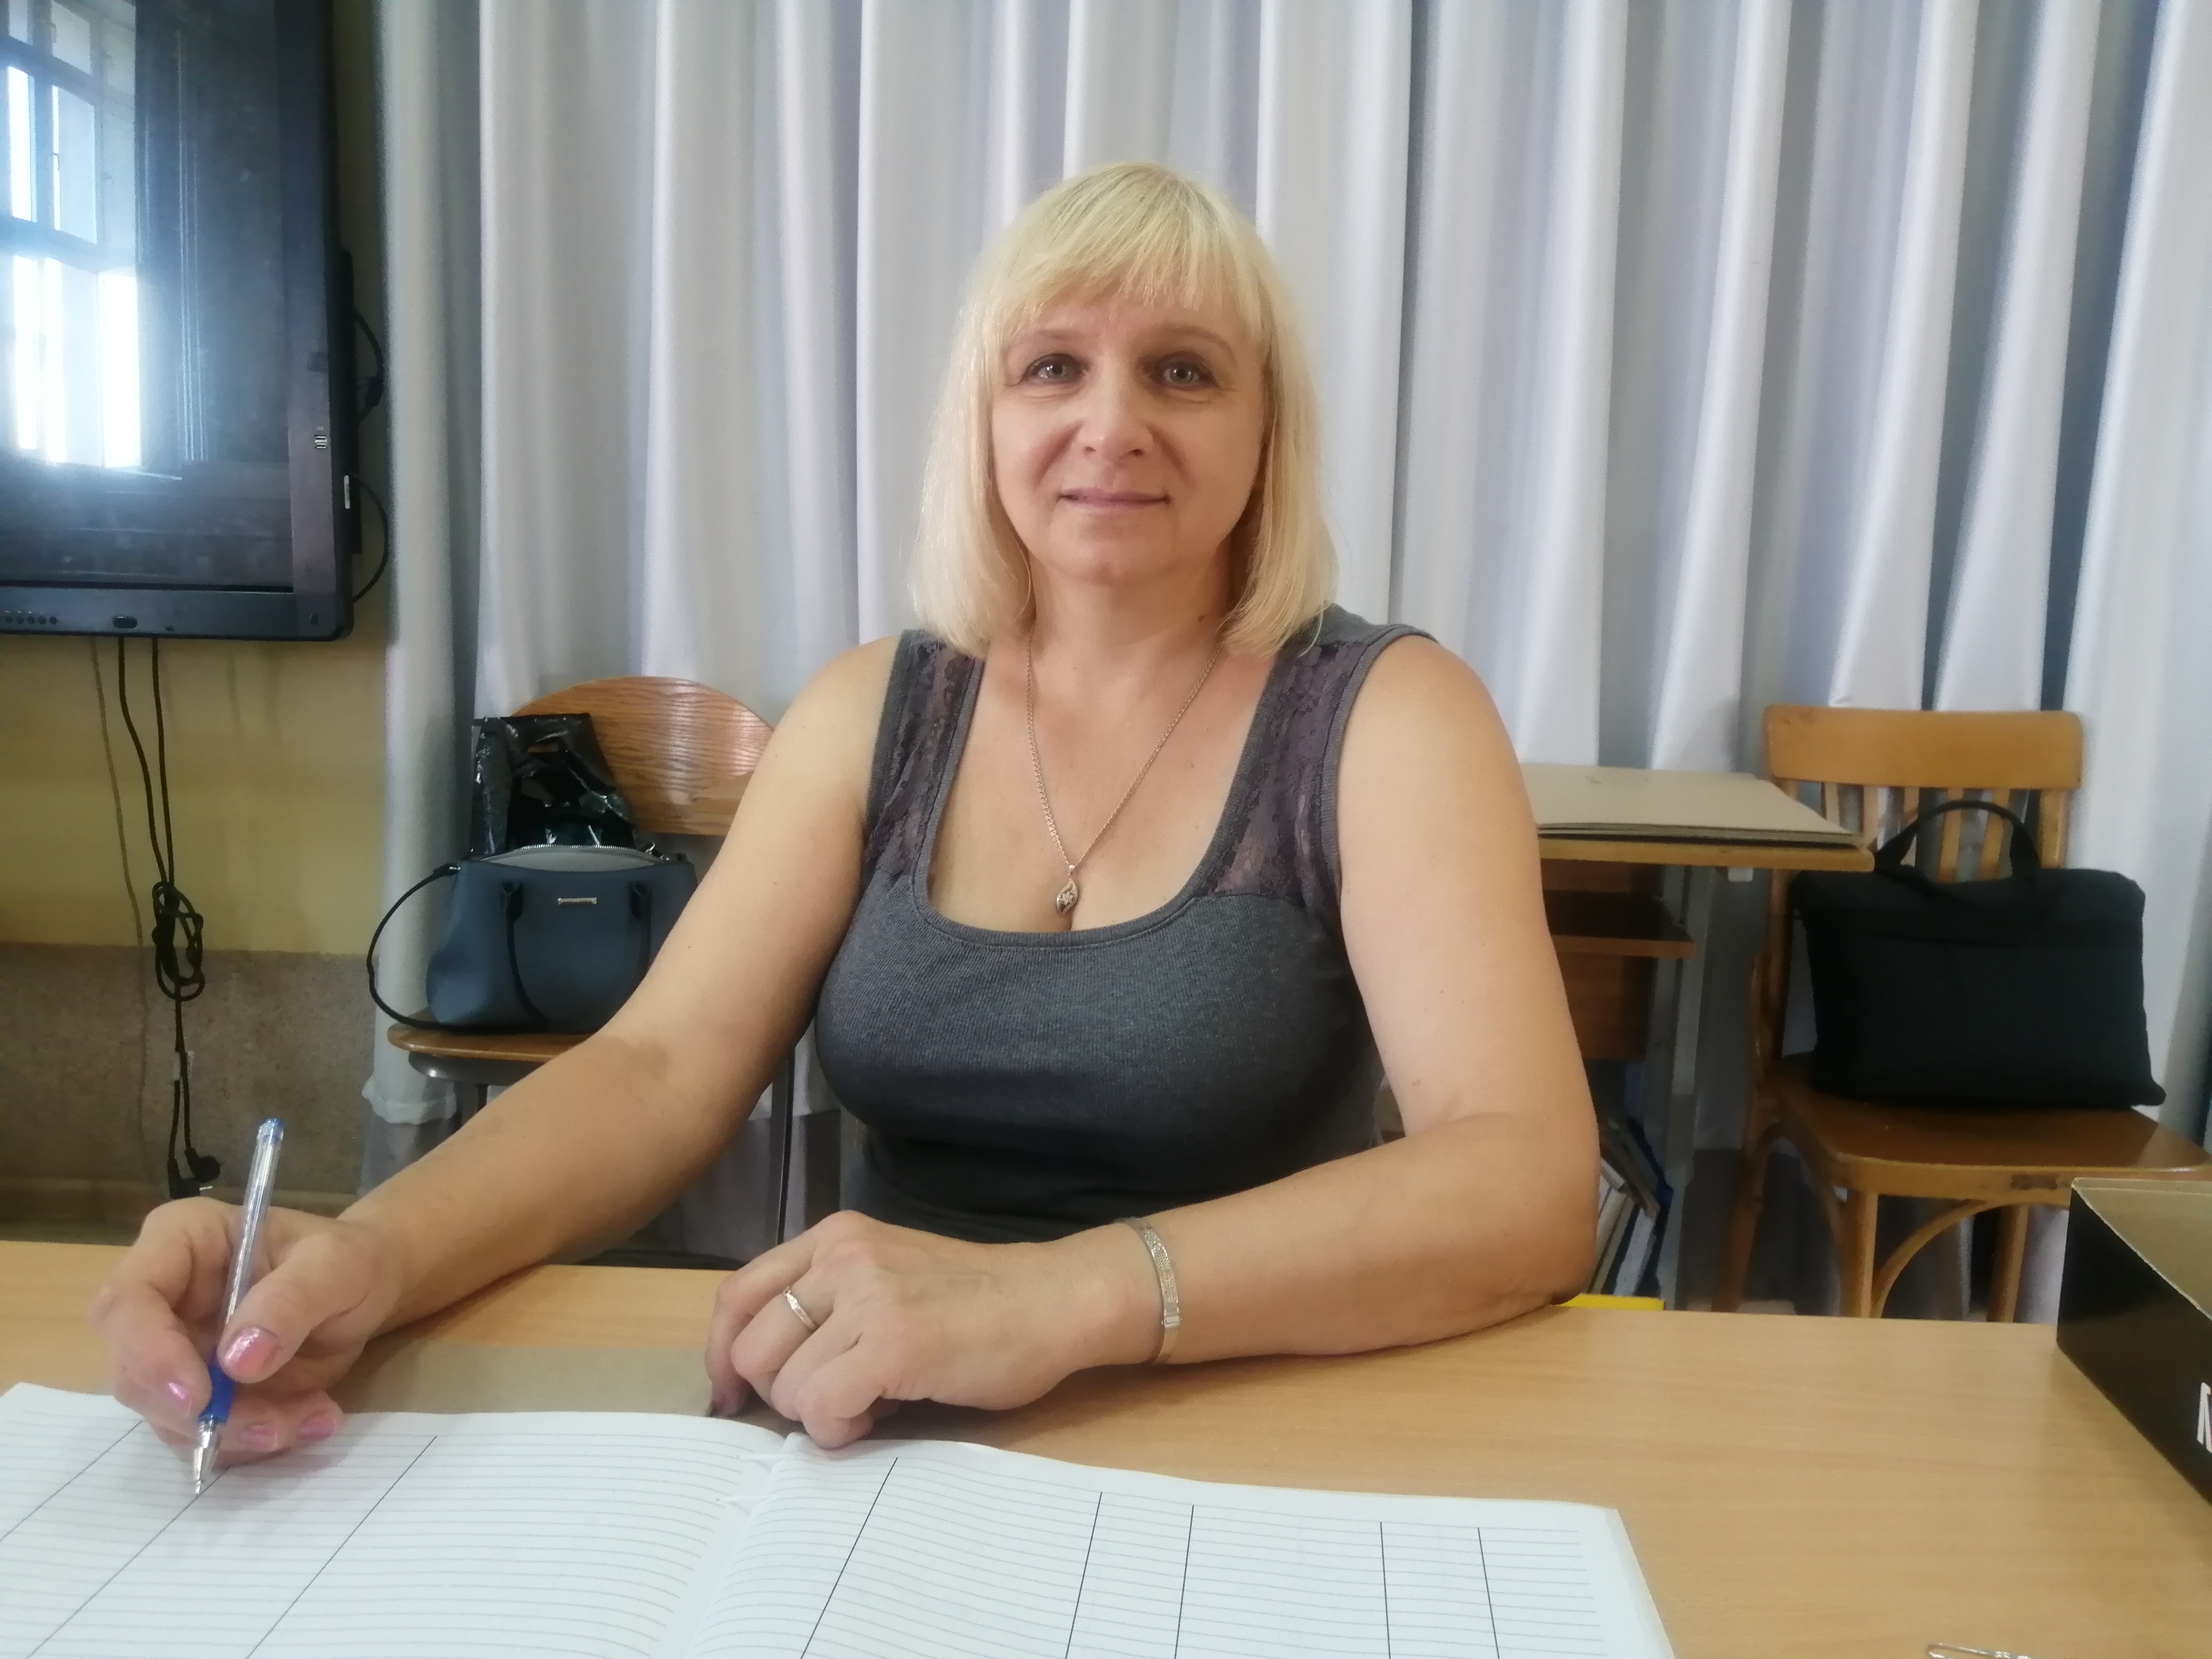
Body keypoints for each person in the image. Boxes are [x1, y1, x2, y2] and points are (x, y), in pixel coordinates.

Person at [91, 162, 1595, 1458]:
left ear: (1269, 429)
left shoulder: (1385, 714)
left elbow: (1524, 1184)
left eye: (1184, 371)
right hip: (872, 1423)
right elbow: (660, 1070)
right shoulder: (876, 707)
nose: (1112, 422)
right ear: (982, 419)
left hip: (1253, 1416)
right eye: (1051, 367)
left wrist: (1058, 1298)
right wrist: (368, 1251)